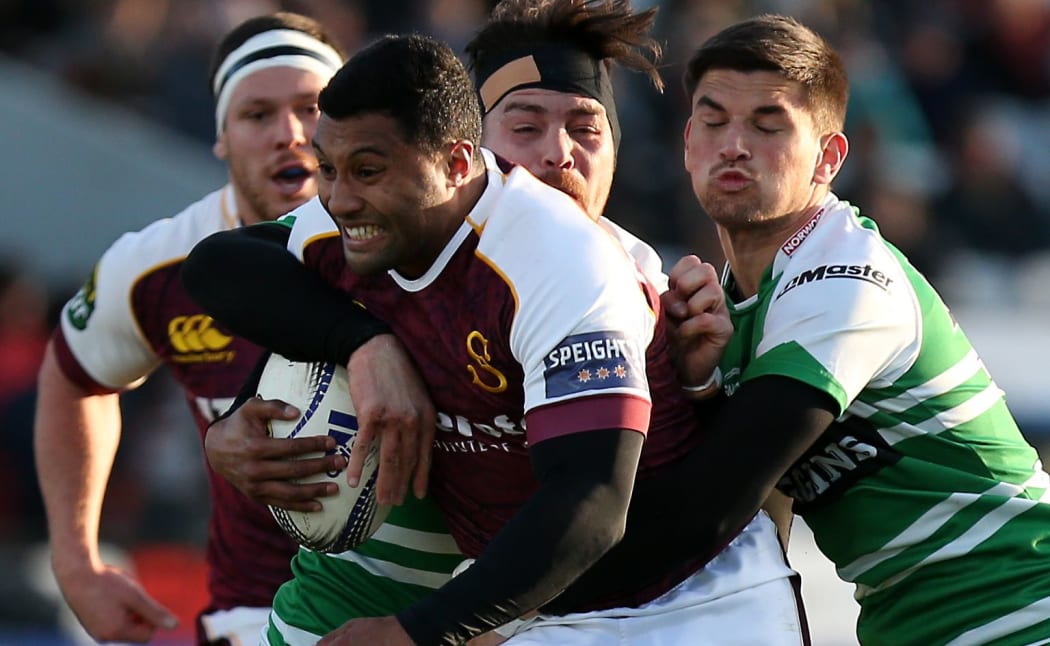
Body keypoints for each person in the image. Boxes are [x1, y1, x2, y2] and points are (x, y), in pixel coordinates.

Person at [184, 31, 806, 645]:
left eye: (584, 128)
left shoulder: (569, 264)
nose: (555, 154)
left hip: (680, 609)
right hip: (509, 601)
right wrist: (361, 345)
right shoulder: (373, 208)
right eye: (526, 126)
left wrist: (418, 632)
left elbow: (589, 503)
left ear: (458, 161)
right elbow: (220, 267)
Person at [32, 13, 456, 645]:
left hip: (440, 600)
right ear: (221, 139)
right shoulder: (158, 266)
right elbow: (74, 377)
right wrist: (77, 562)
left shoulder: (423, 240)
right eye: (257, 115)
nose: (290, 134)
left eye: (312, 108)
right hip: (258, 608)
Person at [649, 14, 1050, 644]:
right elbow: (753, 544)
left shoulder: (843, 276)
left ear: (829, 157)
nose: (733, 144)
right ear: (686, 142)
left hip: (1020, 614)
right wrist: (699, 388)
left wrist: (513, 609)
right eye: (714, 119)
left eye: (768, 124)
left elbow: (710, 510)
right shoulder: (727, 313)